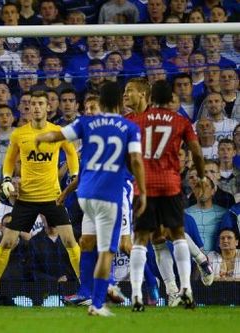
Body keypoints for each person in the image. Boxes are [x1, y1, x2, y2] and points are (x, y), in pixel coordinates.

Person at [35, 81, 146, 316]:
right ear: (118, 101)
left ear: (102, 104)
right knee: (87, 242)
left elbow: (57, 135)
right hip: (92, 195)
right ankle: (89, 293)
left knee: (119, 247)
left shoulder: (92, 125)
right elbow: (136, 160)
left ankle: (146, 287)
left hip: (115, 193)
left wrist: (39, 137)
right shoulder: (127, 127)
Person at [0, 90, 81, 307]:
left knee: (70, 242)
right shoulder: (19, 134)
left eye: (41, 103)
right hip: (26, 198)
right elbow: (10, 159)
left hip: (53, 197)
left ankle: (86, 290)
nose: (38, 107)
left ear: (48, 107)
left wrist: (75, 174)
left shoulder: (58, 131)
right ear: (29, 108)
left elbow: (70, 153)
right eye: (34, 104)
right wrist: (5, 178)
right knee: (6, 243)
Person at [129, 80, 207, 311]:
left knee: (142, 240)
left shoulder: (137, 120)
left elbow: (127, 152)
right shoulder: (181, 121)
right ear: (172, 98)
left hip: (144, 186)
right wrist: (201, 177)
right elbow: (196, 152)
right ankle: (187, 291)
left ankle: (135, 296)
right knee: (178, 235)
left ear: (151, 97)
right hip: (170, 185)